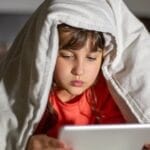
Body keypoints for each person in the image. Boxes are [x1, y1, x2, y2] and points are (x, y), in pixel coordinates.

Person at [0, 0, 150, 149]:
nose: (79, 70)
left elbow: (122, 138)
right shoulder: (34, 96)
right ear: (48, 53)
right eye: (67, 56)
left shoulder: (106, 95)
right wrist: (27, 144)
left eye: (91, 58)